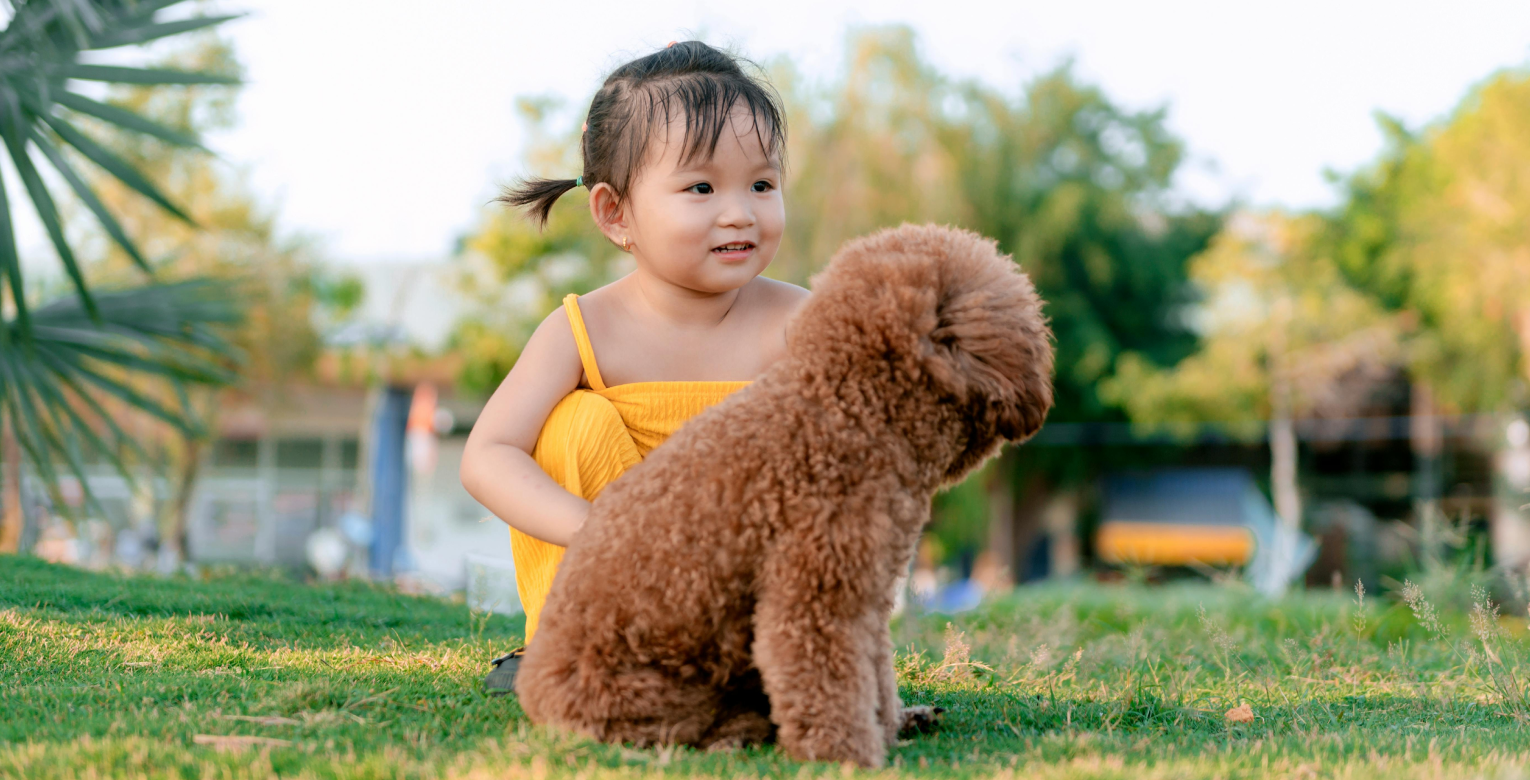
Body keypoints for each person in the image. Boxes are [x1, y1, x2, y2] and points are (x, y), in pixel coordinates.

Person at [459, 40, 808, 694]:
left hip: (742, 602)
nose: (740, 211)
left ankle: (765, 665)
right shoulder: (583, 330)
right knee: (573, 421)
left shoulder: (800, 326)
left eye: (762, 184)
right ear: (616, 214)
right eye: (701, 187)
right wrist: (602, 532)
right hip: (611, 585)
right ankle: (579, 653)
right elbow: (487, 455)